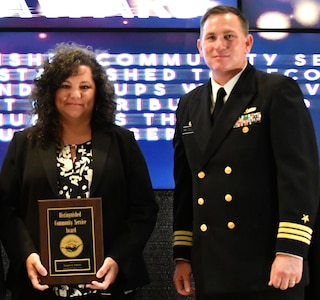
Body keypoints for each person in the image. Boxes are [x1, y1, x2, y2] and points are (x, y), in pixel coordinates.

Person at [172, 5, 320, 300]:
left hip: (268, 264)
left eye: (229, 36)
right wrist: (183, 255)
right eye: (211, 38)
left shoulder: (276, 91)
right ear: (201, 46)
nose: (220, 45)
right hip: (211, 265)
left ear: (247, 42)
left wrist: (291, 250)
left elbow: (299, 177)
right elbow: (187, 186)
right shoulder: (189, 104)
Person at [0, 43, 158, 300]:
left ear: (98, 93)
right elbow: (5, 209)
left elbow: (144, 209)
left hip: (109, 283)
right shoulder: (24, 143)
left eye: (84, 86)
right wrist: (26, 255)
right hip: (40, 285)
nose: (75, 94)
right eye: (65, 86)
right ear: (51, 91)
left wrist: (118, 258)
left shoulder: (123, 142)